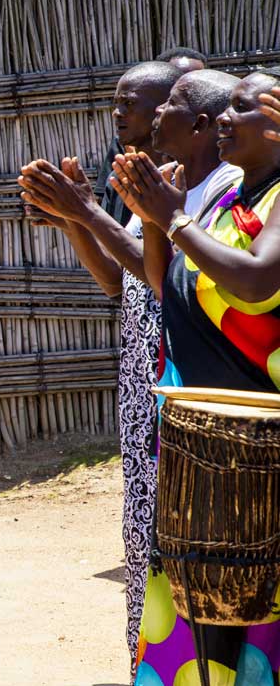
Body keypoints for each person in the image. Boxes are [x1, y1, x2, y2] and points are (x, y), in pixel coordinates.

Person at [19, 64, 239, 666]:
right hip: (144, 363)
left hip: (178, 365)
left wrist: (87, 211)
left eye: (136, 104)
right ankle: (151, 658)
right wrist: (72, 217)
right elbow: (120, 283)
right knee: (146, 523)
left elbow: (158, 275)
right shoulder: (143, 182)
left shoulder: (202, 188)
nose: (122, 115)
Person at [112, 69, 280, 684]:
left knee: (253, 617)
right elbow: (165, 284)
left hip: (259, 449)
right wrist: (151, 214)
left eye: (244, 110)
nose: (227, 122)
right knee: (193, 615)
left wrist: (176, 217)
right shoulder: (229, 201)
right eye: (225, 109)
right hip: (195, 440)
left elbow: (259, 279)